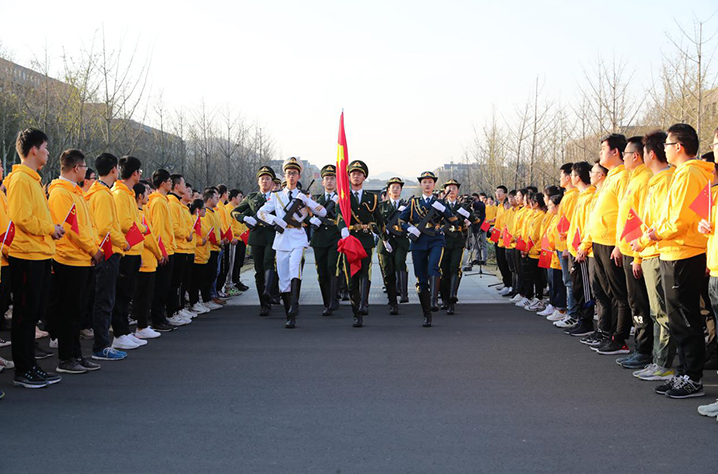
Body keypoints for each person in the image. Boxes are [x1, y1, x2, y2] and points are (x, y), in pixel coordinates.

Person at [647, 123, 712, 398]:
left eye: (668, 144)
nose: (664, 149)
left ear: (679, 147)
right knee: (679, 319)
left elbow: (679, 220)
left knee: (685, 319)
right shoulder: (683, 173)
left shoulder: (689, 174)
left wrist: (657, 233)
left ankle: (692, 377)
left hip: (683, 253)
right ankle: (684, 373)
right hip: (674, 251)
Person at [7, 129, 65, 388]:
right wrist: (50, 229)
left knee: (32, 315)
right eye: (45, 147)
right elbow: (22, 218)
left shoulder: (33, 180)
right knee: (24, 316)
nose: (48, 152)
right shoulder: (21, 179)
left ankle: (30, 366)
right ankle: (23, 370)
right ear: (33, 150)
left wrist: (52, 229)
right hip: (26, 256)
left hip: (40, 254)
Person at [47, 149, 103, 374]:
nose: (86, 170)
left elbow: (87, 226)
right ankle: (66, 358)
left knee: (77, 312)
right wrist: (92, 249)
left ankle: (76, 355)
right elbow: (70, 229)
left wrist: (94, 248)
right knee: (68, 311)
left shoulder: (76, 192)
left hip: (82, 259)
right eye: (84, 166)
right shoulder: (61, 193)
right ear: (76, 168)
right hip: (69, 259)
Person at [576, 134, 631, 355]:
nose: (600, 154)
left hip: (611, 242)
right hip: (598, 242)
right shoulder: (610, 178)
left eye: (603, 149)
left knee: (618, 294)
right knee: (605, 293)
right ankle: (607, 333)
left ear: (615, 152)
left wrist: (619, 243)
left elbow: (626, 213)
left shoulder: (622, 176)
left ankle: (619, 338)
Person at [257, 157, 326, 328]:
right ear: (284, 175)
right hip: (281, 240)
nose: (291, 176)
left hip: (297, 237)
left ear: (299, 176)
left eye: (294, 173)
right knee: (283, 278)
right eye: (289, 173)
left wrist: (307, 201)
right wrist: (275, 220)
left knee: (295, 268)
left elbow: (323, 212)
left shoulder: (304, 196)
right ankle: (289, 311)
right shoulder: (276, 196)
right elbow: (261, 213)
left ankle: (294, 307)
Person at [629, 130, 676, 382]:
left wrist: (644, 243)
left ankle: (663, 363)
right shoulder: (655, 181)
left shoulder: (666, 181)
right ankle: (658, 360)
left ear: (651, 154)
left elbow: (660, 222)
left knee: (662, 312)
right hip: (647, 251)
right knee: (656, 311)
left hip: (658, 252)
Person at [86, 153, 131, 360]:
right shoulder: (103, 195)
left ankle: (102, 344)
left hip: (106, 252)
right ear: (114, 170)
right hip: (107, 252)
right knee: (104, 300)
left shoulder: (100, 192)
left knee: (104, 299)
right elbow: (105, 227)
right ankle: (101, 346)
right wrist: (123, 241)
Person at [613, 137, 653, 369]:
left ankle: (644, 350)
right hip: (629, 249)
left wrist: (637, 257)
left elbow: (643, 219)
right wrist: (620, 245)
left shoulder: (645, 179)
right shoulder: (633, 179)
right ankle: (641, 348)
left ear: (636, 156)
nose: (623, 158)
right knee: (634, 301)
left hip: (639, 252)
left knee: (640, 303)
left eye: (626, 154)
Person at [398, 171, 457, 327]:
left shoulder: (440, 202)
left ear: (434, 184)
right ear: (421, 184)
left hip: (436, 239)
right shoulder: (414, 203)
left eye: (430, 182)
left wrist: (443, 210)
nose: (427, 184)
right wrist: (409, 229)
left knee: (433, 268)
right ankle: (427, 313)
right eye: (424, 182)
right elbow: (401, 220)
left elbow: (453, 221)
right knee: (421, 279)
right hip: (418, 242)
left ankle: (433, 300)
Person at [337, 160, 386, 328]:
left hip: (365, 239)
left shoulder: (371, 197)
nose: (356, 176)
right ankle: (356, 312)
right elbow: (338, 215)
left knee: (365, 272)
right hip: (350, 240)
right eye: (353, 174)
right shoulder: (343, 197)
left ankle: (364, 303)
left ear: (364, 177)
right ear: (349, 177)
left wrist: (385, 238)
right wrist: (343, 228)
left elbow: (379, 219)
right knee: (352, 278)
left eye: (359, 174)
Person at [111, 156, 148, 350]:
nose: (140, 175)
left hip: (133, 249)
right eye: (139, 171)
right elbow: (125, 223)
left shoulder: (128, 193)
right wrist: (143, 229)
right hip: (125, 250)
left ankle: (125, 331)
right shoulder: (119, 194)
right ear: (134, 173)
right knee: (121, 294)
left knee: (127, 294)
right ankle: (119, 333)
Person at [231, 166, 277, 316]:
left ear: (272, 182)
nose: (265, 181)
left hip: (272, 235)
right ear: (258, 181)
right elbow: (235, 211)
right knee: (259, 270)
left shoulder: (277, 197)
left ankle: (268, 292)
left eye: (268, 179)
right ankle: (263, 303)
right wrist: (245, 218)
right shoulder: (251, 197)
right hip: (257, 236)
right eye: (262, 178)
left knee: (268, 263)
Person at [148, 169, 188, 328]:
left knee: (165, 287)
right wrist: (162, 251)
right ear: (163, 183)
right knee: (161, 288)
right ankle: (158, 319)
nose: (171, 184)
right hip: (165, 251)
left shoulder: (164, 201)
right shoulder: (159, 202)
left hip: (169, 249)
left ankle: (162, 318)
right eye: (170, 182)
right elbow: (158, 230)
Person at [562, 162, 597, 335]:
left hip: (583, 250)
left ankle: (587, 322)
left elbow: (588, 225)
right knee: (577, 288)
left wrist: (583, 246)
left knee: (584, 290)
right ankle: (581, 320)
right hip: (574, 248)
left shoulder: (590, 197)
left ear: (577, 177)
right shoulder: (581, 196)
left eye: (573, 174)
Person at [132, 181, 169, 336]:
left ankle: (143, 326)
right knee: (143, 296)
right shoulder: (139, 214)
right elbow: (147, 238)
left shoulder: (143, 212)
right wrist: (159, 252)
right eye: (147, 192)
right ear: (140, 196)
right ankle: (141, 326)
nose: (150, 194)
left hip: (150, 259)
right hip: (145, 259)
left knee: (146, 295)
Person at [309, 165, 341, 316]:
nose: (329, 181)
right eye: (327, 178)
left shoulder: (342, 199)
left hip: (335, 236)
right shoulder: (316, 200)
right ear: (322, 182)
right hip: (320, 238)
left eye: (332, 178)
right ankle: (326, 301)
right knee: (321, 272)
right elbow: (307, 216)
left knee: (332, 267)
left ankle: (333, 300)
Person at [439, 179, 474, 315]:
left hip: (458, 241)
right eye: (449, 188)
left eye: (454, 188)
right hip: (443, 241)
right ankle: (444, 298)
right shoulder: (440, 206)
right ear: (445, 191)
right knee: (443, 271)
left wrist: (467, 222)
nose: (451, 191)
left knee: (455, 268)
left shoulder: (462, 207)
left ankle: (452, 298)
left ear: (458, 191)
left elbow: (473, 220)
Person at [376, 177, 410, 314]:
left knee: (400, 263)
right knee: (388, 271)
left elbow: (411, 221)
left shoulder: (406, 206)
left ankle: (403, 293)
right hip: (385, 242)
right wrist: (383, 234)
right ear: (388, 190)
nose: (395, 189)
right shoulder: (381, 206)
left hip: (401, 241)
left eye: (398, 187)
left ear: (401, 190)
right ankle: (392, 302)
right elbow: (375, 224)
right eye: (393, 187)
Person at [168, 174, 196, 321]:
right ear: (177, 186)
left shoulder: (179, 205)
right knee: (175, 284)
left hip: (185, 248)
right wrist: (186, 234)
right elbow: (174, 227)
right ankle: (173, 311)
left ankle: (179, 309)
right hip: (178, 248)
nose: (186, 188)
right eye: (184, 184)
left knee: (181, 282)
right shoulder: (172, 204)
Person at [227, 189, 249, 294]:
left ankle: (237, 280)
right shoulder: (228, 209)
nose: (241, 199)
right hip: (235, 239)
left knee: (239, 262)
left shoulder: (239, 209)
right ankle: (232, 282)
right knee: (233, 263)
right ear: (233, 198)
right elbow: (229, 226)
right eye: (240, 196)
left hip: (241, 239)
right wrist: (239, 233)